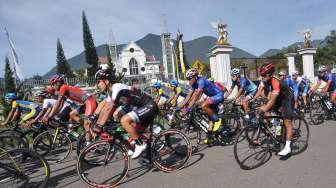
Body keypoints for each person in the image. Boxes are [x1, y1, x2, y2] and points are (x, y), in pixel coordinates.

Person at [92, 69, 159, 158]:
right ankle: (150, 155)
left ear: (106, 81)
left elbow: (110, 107)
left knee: (124, 121)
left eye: (98, 82)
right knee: (133, 131)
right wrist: (98, 124)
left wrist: (99, 126)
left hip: (150, 106)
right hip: (143, 107)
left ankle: (140, 144)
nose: (97, 85)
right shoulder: (110, 93)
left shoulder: (116, 87)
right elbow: (105, 109)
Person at [43, 74, 97, 143]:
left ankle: (89, 143)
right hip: (85, 103)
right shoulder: (63, 89)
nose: (52, 86)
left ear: (58, 83)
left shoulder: (63, 88)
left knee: (85, 123)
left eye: (53, 84)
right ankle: (85, 128)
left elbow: (58, 103)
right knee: (72, 114)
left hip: (89, 101)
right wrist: (53, 115)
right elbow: (61, 104)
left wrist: (49, 116)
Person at [178, 68, 224, 143]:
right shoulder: (194, 84)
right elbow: (189, 97)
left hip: (218, 95)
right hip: (212, 98)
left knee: (203, 105)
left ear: (195, 77)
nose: (189, 81)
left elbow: (197, 96)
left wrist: (188, 108)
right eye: (188, 79)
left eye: (190, 79)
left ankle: (217, 120)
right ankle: (210, 138)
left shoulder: (201, 81)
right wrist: (179, 107)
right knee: (210, 119)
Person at [258, 63, 295, 156]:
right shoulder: (267, 81)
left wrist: (265, 108)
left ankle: (287, 147)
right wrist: (262, 105)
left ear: (270, 74)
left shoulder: (275, 81)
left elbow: (273, 99)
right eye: (261, 75)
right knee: (272, 116)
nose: (262, 77)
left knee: (287, 121)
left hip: (287, 99)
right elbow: (269, 95)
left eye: (263, 75)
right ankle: (278, 134)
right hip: (279, 98)